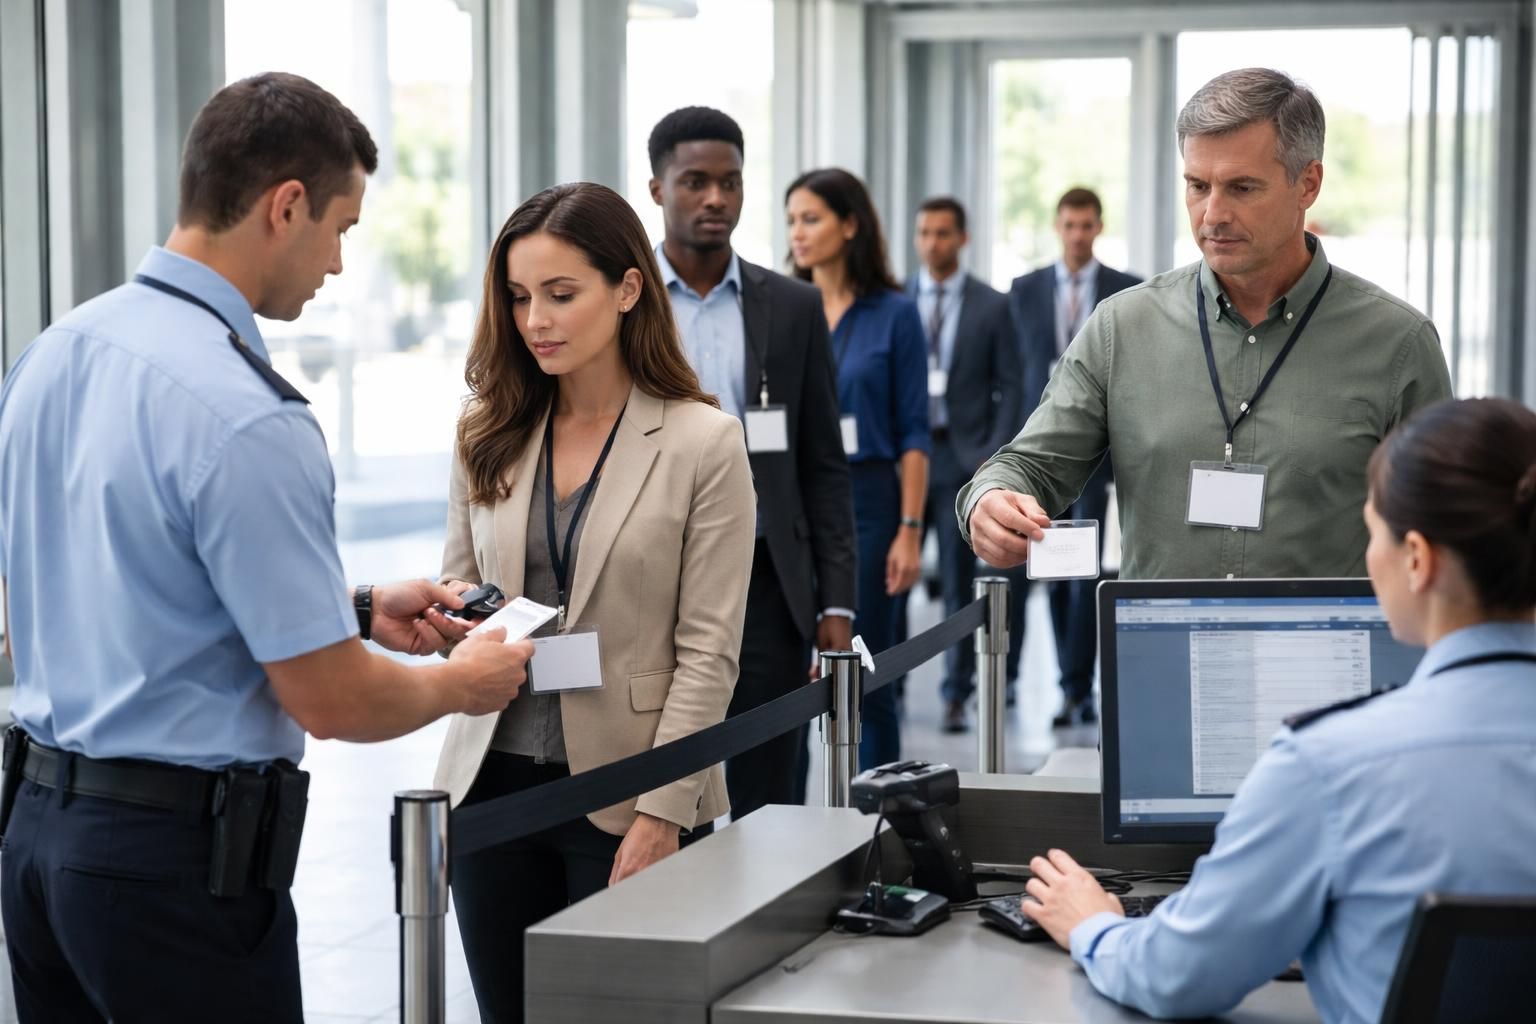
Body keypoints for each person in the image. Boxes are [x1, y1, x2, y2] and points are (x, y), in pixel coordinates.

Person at [0, 73, 532, 1022]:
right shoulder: (247, 414)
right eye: (341, 228)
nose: (336, 263)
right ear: (286, 206)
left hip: (38, 845)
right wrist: (467, 682)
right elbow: (333, 701)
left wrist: (355, 610)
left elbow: (109, 585)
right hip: (170, 874)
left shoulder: (53, 357)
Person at [1018, 396, 1536, 1022]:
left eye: (1372, 534)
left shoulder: (1330, 767)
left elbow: (1177, 976)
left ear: (1418, 560)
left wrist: (1094, 926)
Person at [431, 182, 756, 1022]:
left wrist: (662, 814)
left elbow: (710, 652)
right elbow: (454, 594)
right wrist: (456, 614)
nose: (535, 318)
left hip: (630, 788)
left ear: (626, 289)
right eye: (518, 296)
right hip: (491, 786)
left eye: (560, 294)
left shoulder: (702, 443)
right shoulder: (487, 432)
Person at [960, 68, 1452, 584]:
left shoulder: (1398, 345)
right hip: (1159, 658)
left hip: (1322, 658)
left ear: (1307, 184)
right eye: (1198, 186)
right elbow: (1032, 463)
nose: (1212, 214)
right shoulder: (1121, 328)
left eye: (1241, 188)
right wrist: (991, 499)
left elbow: (1442, 533)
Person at [647, 106, 856, 816]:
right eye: (695, 182)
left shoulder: (792, 306)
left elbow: (823, 464)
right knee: (664, 773)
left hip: (766, 578)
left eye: (730, 182)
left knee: (771, 777)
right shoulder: (620, 300)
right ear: (657, 189)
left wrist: (835, 600)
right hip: (652, 576)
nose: (715, 199)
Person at [786, 168, 929, 772]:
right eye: (792, 219)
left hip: (872, 503)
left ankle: (881, 817)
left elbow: (914, 433)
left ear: (850, 225)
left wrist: (909, 528)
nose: (797, 232)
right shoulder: (785, 309)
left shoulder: (895, 314)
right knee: (788, 673)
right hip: (794, 503)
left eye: (811, 218)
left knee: (871, 670)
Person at [1007, 187, 1142, 727]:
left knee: (1085, 574)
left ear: (1099, 227)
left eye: (1087, 225)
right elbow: (1011, 370)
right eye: (1070, 225)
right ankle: (1041, 681)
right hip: (1042, 446)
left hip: (1102, 454)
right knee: (1046, 567)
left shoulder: (1125, 291)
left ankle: (1075, 686)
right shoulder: (1023, 290)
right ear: (1057, 226)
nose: (1078, 234)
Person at [903, 196, 1022, 734]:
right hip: (906, 457)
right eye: (925, 233)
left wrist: (989, 457)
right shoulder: (898, 300)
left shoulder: (992, 305)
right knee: (894, 581)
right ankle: (888, 686)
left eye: (943, 233)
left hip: (960, 456)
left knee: (956, 582)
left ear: (963, 238)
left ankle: (956, 693)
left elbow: (1013, 386)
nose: (933, 243)